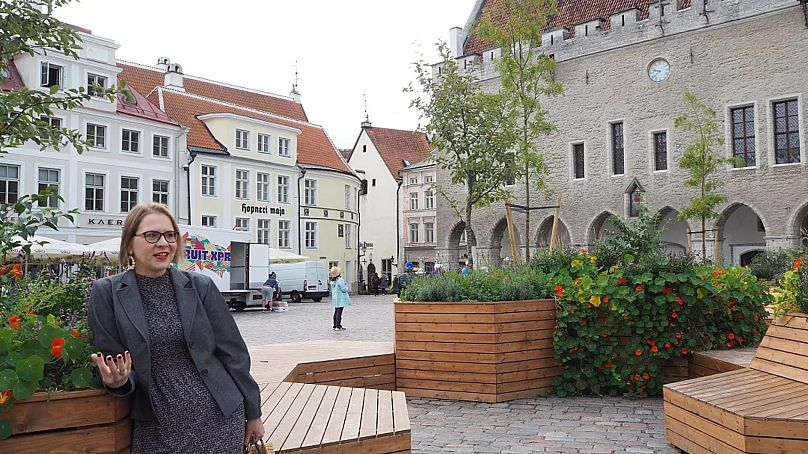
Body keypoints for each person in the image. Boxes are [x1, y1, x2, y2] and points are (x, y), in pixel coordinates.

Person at [87, 202, 264, 453]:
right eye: (151, 235)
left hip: (219, 415)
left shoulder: (201, 286)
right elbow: (114, 358)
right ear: (129, 244)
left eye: (170, 235)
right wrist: (118, 381)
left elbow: (234, 353)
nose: (163, 243)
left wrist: (253, 412)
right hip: (157, 423)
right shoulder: (107, 292)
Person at [329, 266, 351, 330]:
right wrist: (347, 288)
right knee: (339, 313)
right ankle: (338, 326)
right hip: (341, 298)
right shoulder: (340, 280)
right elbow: (343, 289)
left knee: (336, 312)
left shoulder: (333, 281)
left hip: (335, 298)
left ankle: (335, 325)